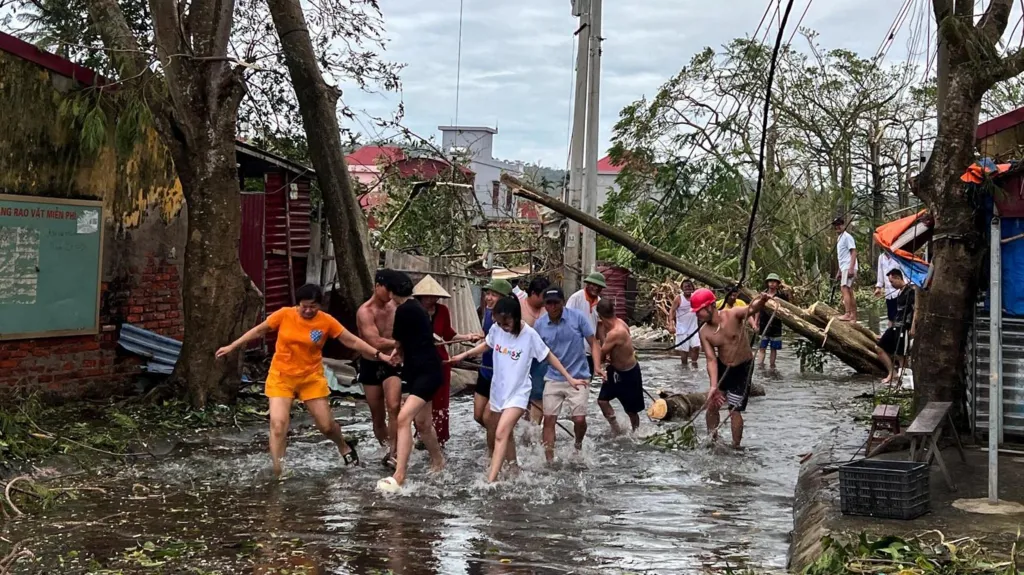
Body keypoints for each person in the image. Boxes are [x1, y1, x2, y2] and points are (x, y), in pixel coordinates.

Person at [216, 283, 390, 476]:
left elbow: (352, 341)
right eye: (303, 306)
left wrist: (378, 354)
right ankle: (278, 470)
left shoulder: (326, 322)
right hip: (281, 377)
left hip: (311, 378)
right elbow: (259, 330)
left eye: (313, 306)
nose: (308, 310)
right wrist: (233, 346)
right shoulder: (285, 314)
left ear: (320, 305)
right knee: (278, 424)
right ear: (297, 304)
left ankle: (343, 445)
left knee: (326, 426)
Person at [450, 296, 584, 482]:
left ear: (515, 317)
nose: (503, 326)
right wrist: (463, 355)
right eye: (499, 322)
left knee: (501, 433)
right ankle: (514, 469)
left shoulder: (529, 334)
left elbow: (548, 356)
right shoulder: (497, 329)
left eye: (507, 323)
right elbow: (487, 345)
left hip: (518, 394)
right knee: (503, 431)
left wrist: (568, 377)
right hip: (498, 391)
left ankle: (490, 480)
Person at [377, 270, 446, 492]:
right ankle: (438, 461)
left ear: (390, 291)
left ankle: (400, 474)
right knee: (423, 424)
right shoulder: (416, 307)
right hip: (422, 371)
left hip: (426, 372)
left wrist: (395, 353)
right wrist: (401, 354)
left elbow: (398, 341)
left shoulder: (405, 310)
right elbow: (410, 341)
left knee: (404, 417)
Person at [691, 287, 771, 449]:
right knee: (713, 404)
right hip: (722, 367)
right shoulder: (705, 332)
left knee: (734, 409)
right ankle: (711, 439)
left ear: (710, 306)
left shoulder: (732, 314)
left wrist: (762, 300)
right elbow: (711, 360)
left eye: (699, 311)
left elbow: (751, 308)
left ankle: (736, 446)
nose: (697, 315)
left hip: (743, 368)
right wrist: (713, 386)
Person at [412, 275, 483, 447]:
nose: (432, 299)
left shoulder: (442, 311)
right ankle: (421, 433)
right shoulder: (412, 312)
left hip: (441, 361)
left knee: (441, 400)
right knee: (419, 400)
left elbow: (449, 334)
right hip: (419, 361)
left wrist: (467, 337)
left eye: (434, 296)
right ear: (420, 296)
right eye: (428, 296)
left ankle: (440, 438)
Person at [535, 286, 601, 462]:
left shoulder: (577, 318)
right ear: (545, 305)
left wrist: (597, 366)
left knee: (579, 419)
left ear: (563, 303)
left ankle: (578, 444)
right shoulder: (540, 325)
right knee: (548, 419)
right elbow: (534, 352)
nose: (553, 307)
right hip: (553, 377)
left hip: (579, 375)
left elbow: (593, 342)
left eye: (556, 303)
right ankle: (549, 461)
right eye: (549, 303)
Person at [355, 270, 401, 457]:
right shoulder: (365, 312)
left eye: (393, 291)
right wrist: (401, 342)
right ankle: (385, 447)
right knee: (377, 415)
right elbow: (374, 342)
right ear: (377, 286)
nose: (390, 295)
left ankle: (395, 451)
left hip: (393, 363)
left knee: (393, 406)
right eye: (387, 290)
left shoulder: (396, 306)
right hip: (371, 363)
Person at [474, 278, 514, 455]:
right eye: (487, 294)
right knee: (478, 416)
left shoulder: (511, 321)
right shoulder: (488, 313)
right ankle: (503, 434)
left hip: (500, 376)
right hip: (485, 370)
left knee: (488, 417)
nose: (488, 298)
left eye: (494, 295)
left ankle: (493, 455)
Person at [595, 299, 644, 435]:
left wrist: (598, 367)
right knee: (602, 401)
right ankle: (616, 429)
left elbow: (602, 353)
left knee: (631, 410)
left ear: (600, 315)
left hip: (629, 373)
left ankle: (636, 433)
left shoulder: (616, 332)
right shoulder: (616, 324)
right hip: (615, 370)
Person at [518, 276, 551, 423]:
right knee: (521, 395)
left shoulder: (549, 309)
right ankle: (523, 424)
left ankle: (534, 429)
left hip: (541, 359)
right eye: (543, 297)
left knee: (538, 393)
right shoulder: (518, 306)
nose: (546, 301)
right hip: (520, 358)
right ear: (533, 294)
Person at [876, 268, 916, 385]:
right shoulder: (900, 292)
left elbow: (915, 310)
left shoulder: (910, 291)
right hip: (895, 325)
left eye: (892, 282)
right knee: (879, 348)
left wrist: (912, 327)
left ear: (898, 278)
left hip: (904, 326)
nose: (891, 285)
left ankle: (902, 379)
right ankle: (892, 372)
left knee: (901, 355)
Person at [566, 271, 606, 374]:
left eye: (599, 286)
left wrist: (604, 348)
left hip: (591, 351)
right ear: (587, 284)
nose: (596, 288)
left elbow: (600, 326)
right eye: (593, 285)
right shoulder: (576, 298)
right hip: (575, 352)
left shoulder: (600, 302)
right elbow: (566, 322)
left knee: (587, 381)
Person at [755, 273, 789, 369]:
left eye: (774, 282)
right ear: (767, 283)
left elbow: (787, 310)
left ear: (777, 284)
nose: (772, 284)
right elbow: (757, 309)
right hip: (763, 324)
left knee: (774, 348)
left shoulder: (782, 296)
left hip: (776, 325)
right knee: (762, 347)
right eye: (770, 281)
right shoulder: (762, 295)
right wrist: (756, 323)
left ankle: (772, 367)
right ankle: (760, 366)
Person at [668, 279, 701, 368]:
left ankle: (694, 365)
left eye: (689, 287)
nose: (688, 289)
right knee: (684, 352)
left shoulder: (695, 297)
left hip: (694, 328)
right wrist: (671, 324)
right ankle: (684, 368)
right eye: (685, 287)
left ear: (692, 288)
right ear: (682, 288)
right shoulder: (678, 298)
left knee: (696, 347)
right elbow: (672, 311)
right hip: (682, 329)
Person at [833, 216, 858, 321]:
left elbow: (854, 252)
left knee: (844, 288)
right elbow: (841, 256)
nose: (837, 227)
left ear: (843, 225)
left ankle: (848, 314)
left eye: (839, 225)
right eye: (836, 225)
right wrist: (839, 271)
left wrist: (851, 268)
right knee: (849, 290)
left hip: (848, 266)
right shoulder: (839, 238)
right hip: (844, 266)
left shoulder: (847, 237)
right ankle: (852, 315)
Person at [875, 252, 900, 327]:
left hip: (899, 290)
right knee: (890, 316)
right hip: (888, 291)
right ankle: (889, 333)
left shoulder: (897, 255)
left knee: (899, 315)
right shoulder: (881, 257)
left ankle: (898, 334)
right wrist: (878, 287)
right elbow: (880, 272)